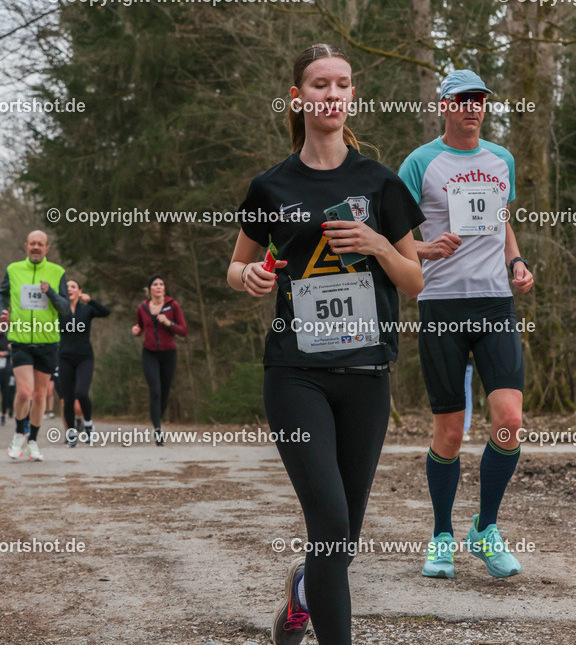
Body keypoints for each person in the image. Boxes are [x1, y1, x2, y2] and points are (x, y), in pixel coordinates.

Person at [228, 43, 424, 645]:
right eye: (319, 85)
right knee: (331, 522)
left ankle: (301, 598)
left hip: (367, 371)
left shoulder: (380, 182)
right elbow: (236, 269)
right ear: (298, 98)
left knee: (343, 539)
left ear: (352, 96)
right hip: (296, 372)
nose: (331, 94)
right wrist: (252, 277)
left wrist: (378, 244)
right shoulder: (271, 185)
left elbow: (415, 279)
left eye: (341, 84)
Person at [398, 68, 533, 581]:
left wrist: (516, 262)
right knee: (450, 432)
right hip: (441, 306)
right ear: (445, 106)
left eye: (480, 100)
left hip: (496, 303)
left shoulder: (501, 160)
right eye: (463, 100)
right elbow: (390, 236)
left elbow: (501, 220)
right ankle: (440, 537)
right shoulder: (420, 163)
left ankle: (485, 528)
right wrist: (422, 248)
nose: (473, 108)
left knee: (510, 420)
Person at [0, 230, 68, 461]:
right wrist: (3, 312)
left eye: (41, 244)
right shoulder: (13, 269)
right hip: (20, 340)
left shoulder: (58, 272)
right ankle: (19, 433)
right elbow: (1, 295)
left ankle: (34, 441)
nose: (36, 247)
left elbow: (65, 308)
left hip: (47, 342)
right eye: (33, 243)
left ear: (47, 248)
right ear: (26, 245)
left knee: (39, 396)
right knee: (25, 392)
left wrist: (52, 293)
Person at [45, 279, 110, 447]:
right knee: (67, 398)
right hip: (64, 358)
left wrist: (91, 300)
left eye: (73, 286)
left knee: (81, 393)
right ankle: (71, 433)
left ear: (80, 291)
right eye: (67, 287)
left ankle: (88, 424)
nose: (70, 289)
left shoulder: (87, 310)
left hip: (84, 358)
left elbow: (106, 312)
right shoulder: (58, 310)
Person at [131, 276, 186, 446]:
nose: (159, 287)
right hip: (150, 354)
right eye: (155, 284)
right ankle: (157, 429)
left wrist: (168, 322)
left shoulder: (173, 305)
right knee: (155, 391)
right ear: (149, 289)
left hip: (169, 354)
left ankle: (157, 420)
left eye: (161, 284)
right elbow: (139, 327)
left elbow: (183, 331)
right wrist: (136, 331)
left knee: (164, 392)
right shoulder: (142, 307)